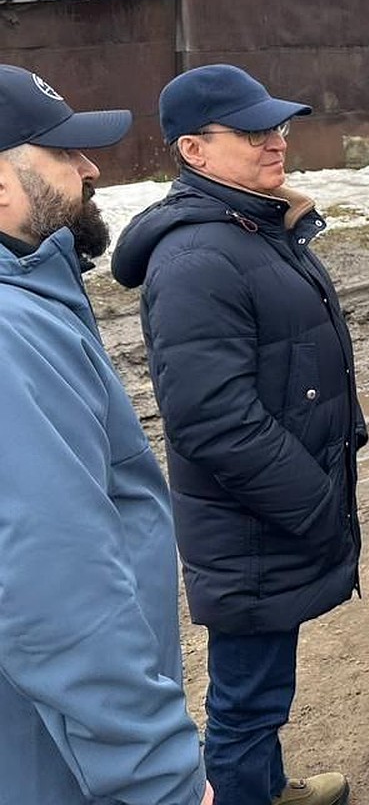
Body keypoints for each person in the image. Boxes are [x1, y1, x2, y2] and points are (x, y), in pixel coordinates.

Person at [111, 65, 365, 805]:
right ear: (193, 149)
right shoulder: (197, 257)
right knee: (245, 702)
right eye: (252, 132)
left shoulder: (254, 224)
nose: (274, 142)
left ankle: (264, 787)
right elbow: (213, 417)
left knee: (259, 690)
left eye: (277, 127)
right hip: (255, 524)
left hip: (272, 514)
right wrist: (316, 505)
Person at [0, 65, 210, 805]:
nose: (90, 167)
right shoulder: (9, 332)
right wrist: (160, 779)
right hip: (47, 760)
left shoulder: (28, 299)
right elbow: (58, 593)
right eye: (62, 153)